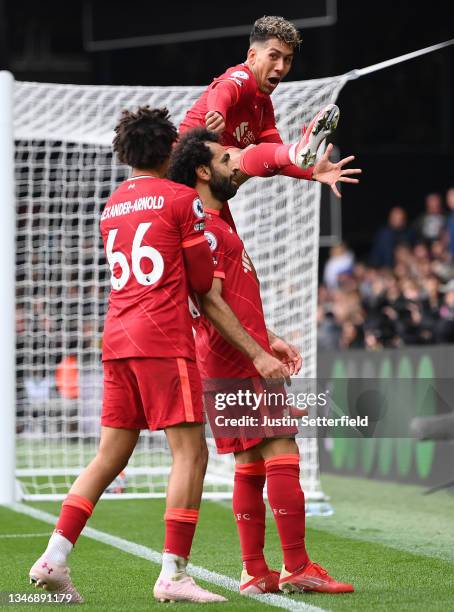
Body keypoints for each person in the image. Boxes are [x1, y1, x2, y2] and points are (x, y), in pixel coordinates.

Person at [28, 107, 226, 604]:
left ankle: (54, 557)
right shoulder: (182, 199)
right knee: (191, 452)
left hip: (117, 338)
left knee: (109, 455)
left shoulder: (111, 205)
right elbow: (201, 282)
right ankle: (173, 573)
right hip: (163, 338)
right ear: (170, 151)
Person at [168, 128, 354, 595]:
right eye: (226, 157)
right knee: (282, 449)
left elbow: (226, 299)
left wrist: (268, 337)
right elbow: (211, 302)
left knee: (250, 461)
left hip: (224, 356)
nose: (236, 162)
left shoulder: (212, 222)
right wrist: (257, 353)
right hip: (237, 360)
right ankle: (298, 567)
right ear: (203, 171)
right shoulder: (206, 229)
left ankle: (255, 571)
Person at [180, 15, 361, 207]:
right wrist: (217, 112)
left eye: (288, 60)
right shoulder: (243, 77)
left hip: (205, 193)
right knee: (239, 156)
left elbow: (276, 158)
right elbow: (223, 90)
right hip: (181, 172)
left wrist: (313, 172)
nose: (281, 67)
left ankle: (297, 150)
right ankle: (297, 150)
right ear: (252, 56)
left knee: (269, 160)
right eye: (273, 56)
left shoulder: (264, 108)